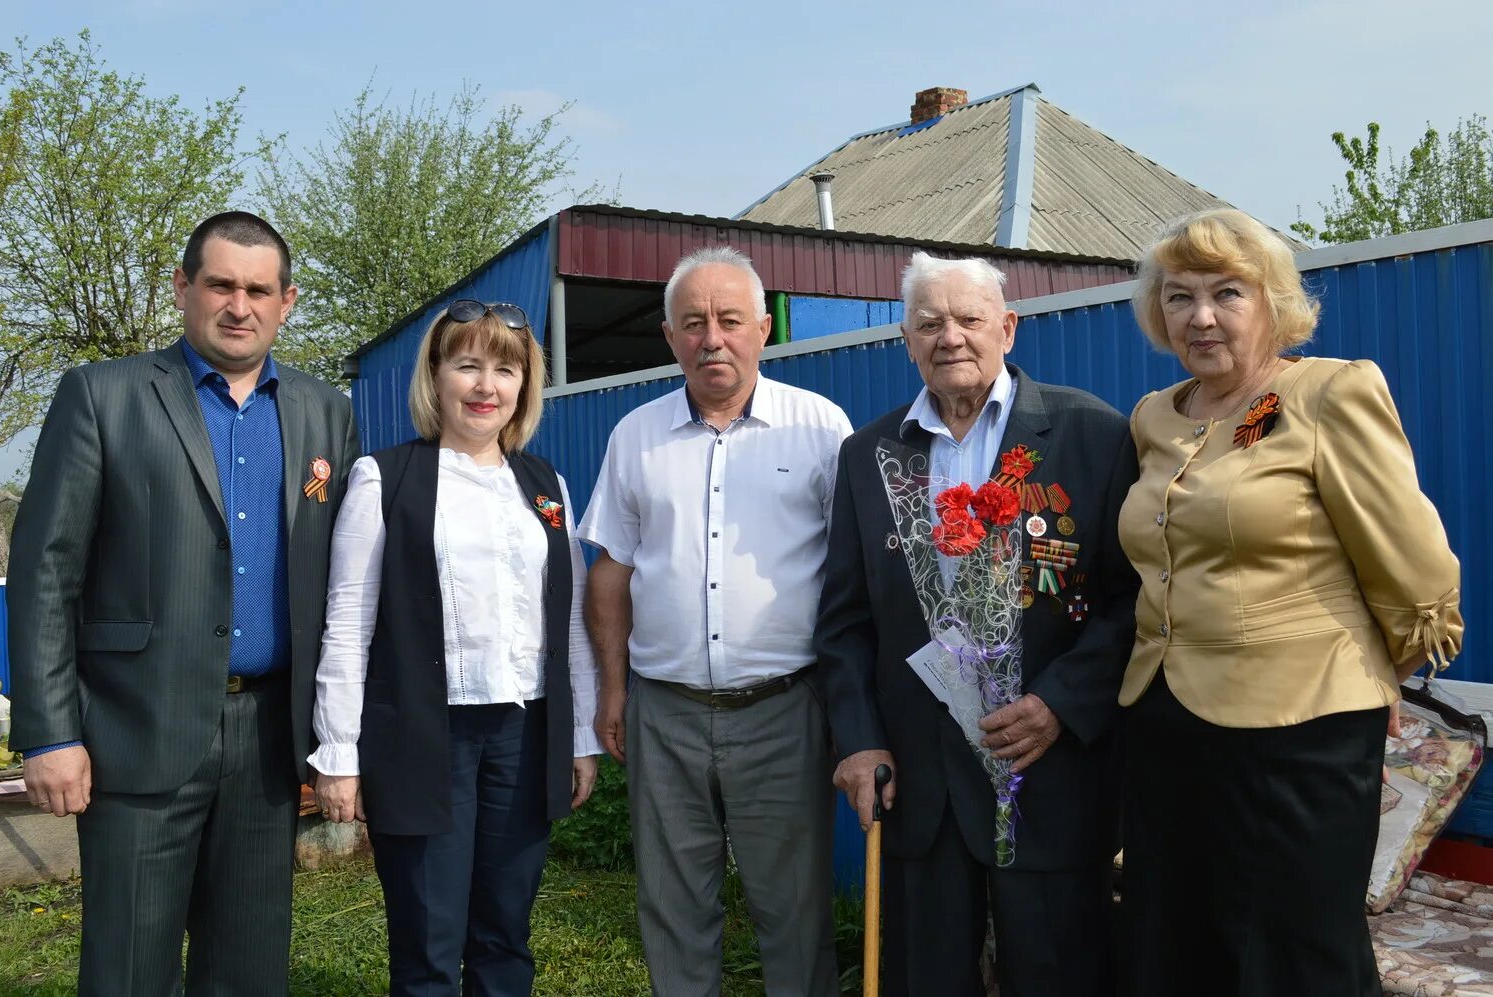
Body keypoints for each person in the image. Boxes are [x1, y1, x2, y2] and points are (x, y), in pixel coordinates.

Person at [8, 211, 360, 995]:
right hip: (137, 728)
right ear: (182, 288)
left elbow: (344, 582)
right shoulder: (103, 395)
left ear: (287, 301)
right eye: (221, 284)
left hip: (269, 739)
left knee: (248, 968)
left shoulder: (324, 412)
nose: (240, 305)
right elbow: (44, 570)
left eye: (259, 289)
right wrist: (49, 732)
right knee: (129, 967)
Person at [1118, 207, 1464, 995]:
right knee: (1179, 938)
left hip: (1298, 726)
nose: (1200, 316)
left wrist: (1372, 673)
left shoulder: (1327, 392)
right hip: (1165, 719)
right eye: (1178, 296)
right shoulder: (1153, 417)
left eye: (1226, 293)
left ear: (1271, 301)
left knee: (1296, 951)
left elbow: (1418, 570)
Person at [817, 251, 1138, 996]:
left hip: (1046, 772)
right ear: (905, 338)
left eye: (968, 319)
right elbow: (844, 620)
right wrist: (859, 738)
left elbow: (1134, 598)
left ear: (1008, 327)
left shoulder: (1091, 433)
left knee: (1059, 973)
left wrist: (1061, 702)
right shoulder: (868, 455)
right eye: (928, 322)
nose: (950, 336)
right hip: (917, 784)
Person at [578, 246, 852, 996]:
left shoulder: (820, 428)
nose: (712, 339)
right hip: (663, 711)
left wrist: (847, 702)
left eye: (730, 320)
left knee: (792, 907)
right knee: (672, 905)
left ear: (763, 328)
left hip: (785, 709)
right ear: (669, 337)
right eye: (692, 323)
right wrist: (611, 689)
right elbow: (611, 570)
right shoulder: (635, 434)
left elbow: (852, 577)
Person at [310, 299, 600, 995]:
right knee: (428, 940)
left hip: (523, 735)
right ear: (435, 376)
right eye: (466, 363)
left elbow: (569, 619)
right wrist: (339, 754)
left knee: (506, 933)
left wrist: (581, 734)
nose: (485, 384)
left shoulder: (545, 487)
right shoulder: (385, 478)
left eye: (505, 367)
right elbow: (347, 620)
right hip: (421, 738)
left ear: (524, 384)